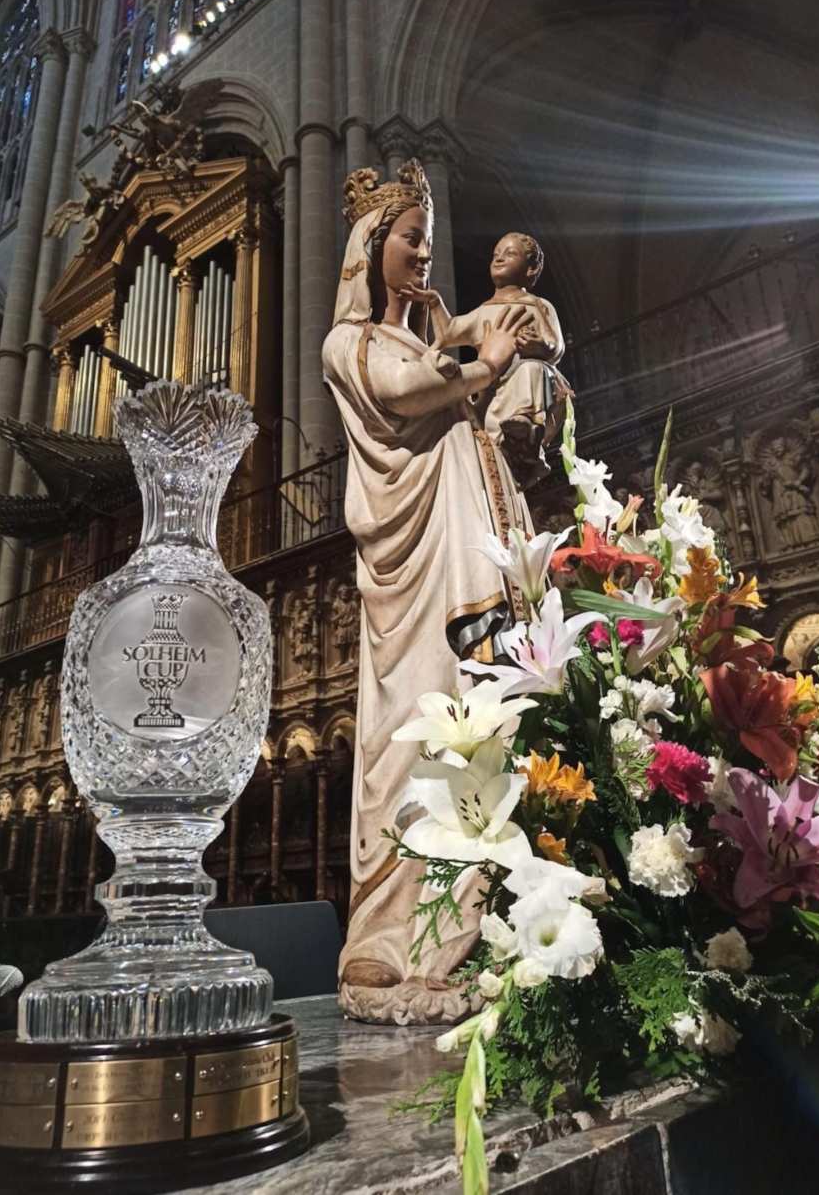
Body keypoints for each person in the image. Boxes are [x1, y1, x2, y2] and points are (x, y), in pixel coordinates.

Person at [322, 162, 534, 1024]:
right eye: (409, 238)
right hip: (413, 577)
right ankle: (387, 943)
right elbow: (405, 394)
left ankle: (472, 932)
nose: (422, 253)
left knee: (478, 733)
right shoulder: (356, 344)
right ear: (372, 249)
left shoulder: (426, 339)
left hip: (464, 551)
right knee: (414, 737)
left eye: (428, 240)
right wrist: (483, 361)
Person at [401, 231, 573, 489]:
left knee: (532, 369)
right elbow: (449, 332)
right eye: (496, 254)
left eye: (510, 253)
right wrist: (435, 303)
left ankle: (524, 424)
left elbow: (556, 345)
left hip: (532, 382)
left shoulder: (539, 306)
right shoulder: (484, 311)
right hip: (493, 394)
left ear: (531, 268)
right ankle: (515, 432)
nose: (500, 258)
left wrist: (539, 345)